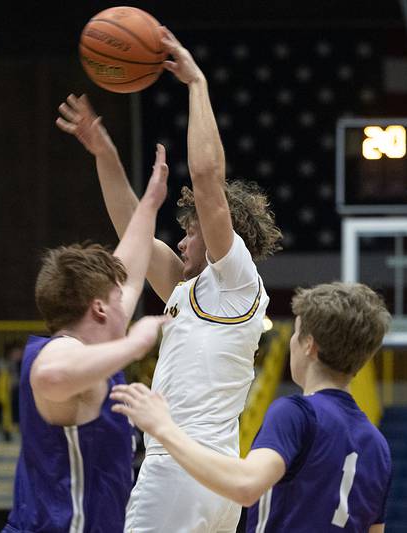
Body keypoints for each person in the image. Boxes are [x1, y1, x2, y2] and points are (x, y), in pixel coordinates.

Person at [56, 27, 282, 532]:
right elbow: (131, 226)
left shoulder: (235, 278)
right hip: (210, 475)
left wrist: (196, 83)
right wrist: (104, 154)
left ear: (225, 233)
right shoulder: (190, 292)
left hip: (183, 465)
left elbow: (207, 178)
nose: (181, 242)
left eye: (190, 232)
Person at [111, 282, 393, 532]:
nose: (292, 342)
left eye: (295, 333)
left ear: (309, 345)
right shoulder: (378, 445)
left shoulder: (297, 413)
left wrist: (163, 427)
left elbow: (246, 485)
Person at [1, 144, 169, 533]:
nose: (127, 300)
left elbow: (134, 261)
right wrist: (136, 344)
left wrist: (149, 201)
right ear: (97, 309)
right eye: (117, 296)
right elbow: (49, 377)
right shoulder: (59, 351)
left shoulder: (95, 345)